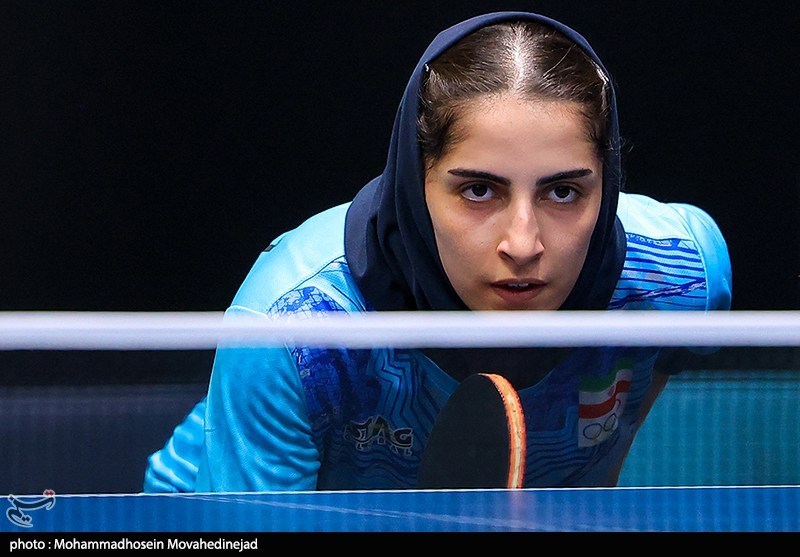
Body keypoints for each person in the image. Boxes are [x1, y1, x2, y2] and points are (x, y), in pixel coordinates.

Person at [143, 11, 731, 493]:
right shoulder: (296, 327)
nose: (523, 245)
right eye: (479, 191)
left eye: (562, 192)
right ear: (414, 183)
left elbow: (618, 436)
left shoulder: (680, 275)